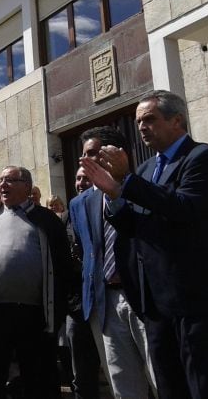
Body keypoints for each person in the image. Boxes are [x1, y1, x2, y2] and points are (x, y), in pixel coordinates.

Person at [81, 91, 208, 399]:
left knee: (202, 385)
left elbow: (185, 208)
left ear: (177, 120)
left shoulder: (201, 159)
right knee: (169, 387)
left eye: (149, 120)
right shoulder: (143, 171)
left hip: (193, 301)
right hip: (154, 304)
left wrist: (126, 182)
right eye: (138, 121)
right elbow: (132, 225)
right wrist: (114, 194)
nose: (142, 127)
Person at [0, 166, 75, 399]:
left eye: (10, 180)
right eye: (0, 180)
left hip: (36, 317)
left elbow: (64, 267)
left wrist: (63, 309)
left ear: (27, 187)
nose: (2, 185)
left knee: (39, 380)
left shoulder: (47, 220)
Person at [72, 126, 156, 399]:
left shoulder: (142, 186)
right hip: (104, 303)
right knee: (123, 385)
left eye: (93, 153)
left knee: (161, 378)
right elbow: (88, 252)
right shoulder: (80, 203)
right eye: (83, 154)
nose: (86, 160)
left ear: (114, 153)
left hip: (145, 299)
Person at [64, 165, 102, 399]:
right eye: (77, 178)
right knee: (82, 376)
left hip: (105, 302)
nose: (80, 183)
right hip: (78, 307)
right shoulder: (70, 212)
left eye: (86, 178)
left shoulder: (105, 207)